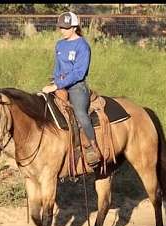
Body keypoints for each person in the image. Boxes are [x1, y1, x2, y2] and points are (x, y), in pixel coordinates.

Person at [42, 11, 100, 167]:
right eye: (61, 27)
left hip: (76, 87)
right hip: (60, 84)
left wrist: (57, 85)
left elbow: (79, 73)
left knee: (80, 113)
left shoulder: (82, 46)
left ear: (74, 27)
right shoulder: (60, 45)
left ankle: (92, 146)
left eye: (66, 27)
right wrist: (55, 79)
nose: (62, 30)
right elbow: (57, 67)